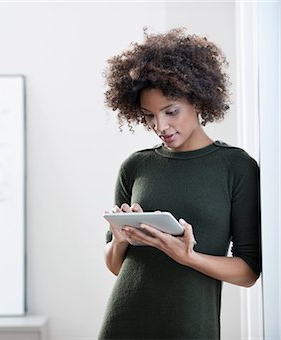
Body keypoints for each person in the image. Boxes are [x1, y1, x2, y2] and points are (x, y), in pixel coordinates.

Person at [98, 28, 261, 340]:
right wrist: (119, 240)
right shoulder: (136, 166)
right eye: (149, 116)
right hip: (123, 322)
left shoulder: (236, 168)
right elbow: (117, 266)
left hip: (191, 327)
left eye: (170, 111)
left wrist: (188, 257)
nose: (161, 126)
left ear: (198, 99)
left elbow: (249, 271)